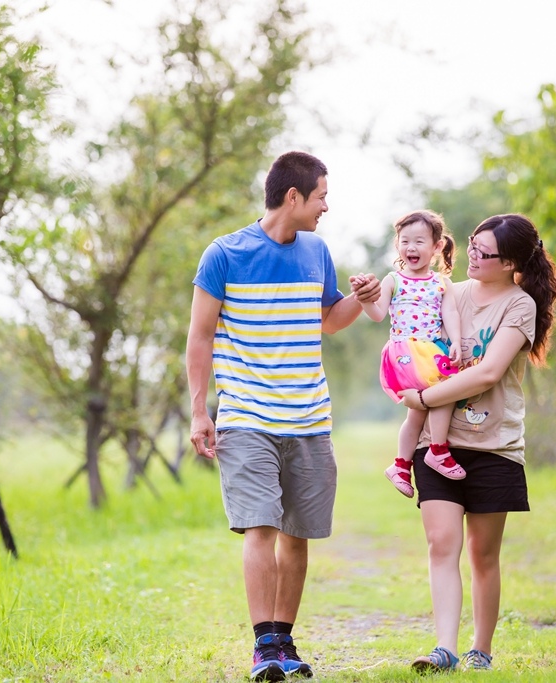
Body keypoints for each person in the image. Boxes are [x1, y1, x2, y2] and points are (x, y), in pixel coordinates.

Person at [185, 150, 381, 681]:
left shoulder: (317, 251)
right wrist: (200, 411)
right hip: (247, 415)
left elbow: (329, 321)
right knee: (261, 528)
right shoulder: (223, 254)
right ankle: (263, 647)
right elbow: (200, 337)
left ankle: (285, 644)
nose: (325, 207)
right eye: (320, 196)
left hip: (309, 418)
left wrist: (362, 300)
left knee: (298, 535)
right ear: (292, 197)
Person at [397, 213, 556, 672]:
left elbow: (488, 372)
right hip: (439, 441)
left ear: (510, 263)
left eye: (483, 253)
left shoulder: (519, 305)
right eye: (471, 245)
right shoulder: (450, 291)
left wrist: (425, 396)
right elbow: (409, 328)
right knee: (441, 543)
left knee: (483, 555)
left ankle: (480, 650)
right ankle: (444, 649)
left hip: (494, 447)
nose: (471, 256)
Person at [356, 210, 465, 499]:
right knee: (444, 393)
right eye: (405, 241)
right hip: (404, 352)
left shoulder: (442, 283)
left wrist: (455, 341)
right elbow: (378, 314)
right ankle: (437, 451)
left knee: (419, 412)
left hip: (431, 351)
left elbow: (450, 313)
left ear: (437, 247)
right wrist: (365, 298)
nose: (411, 248)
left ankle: (401, 465)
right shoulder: (393, 279)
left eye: (419, 241)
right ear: (397, 245)